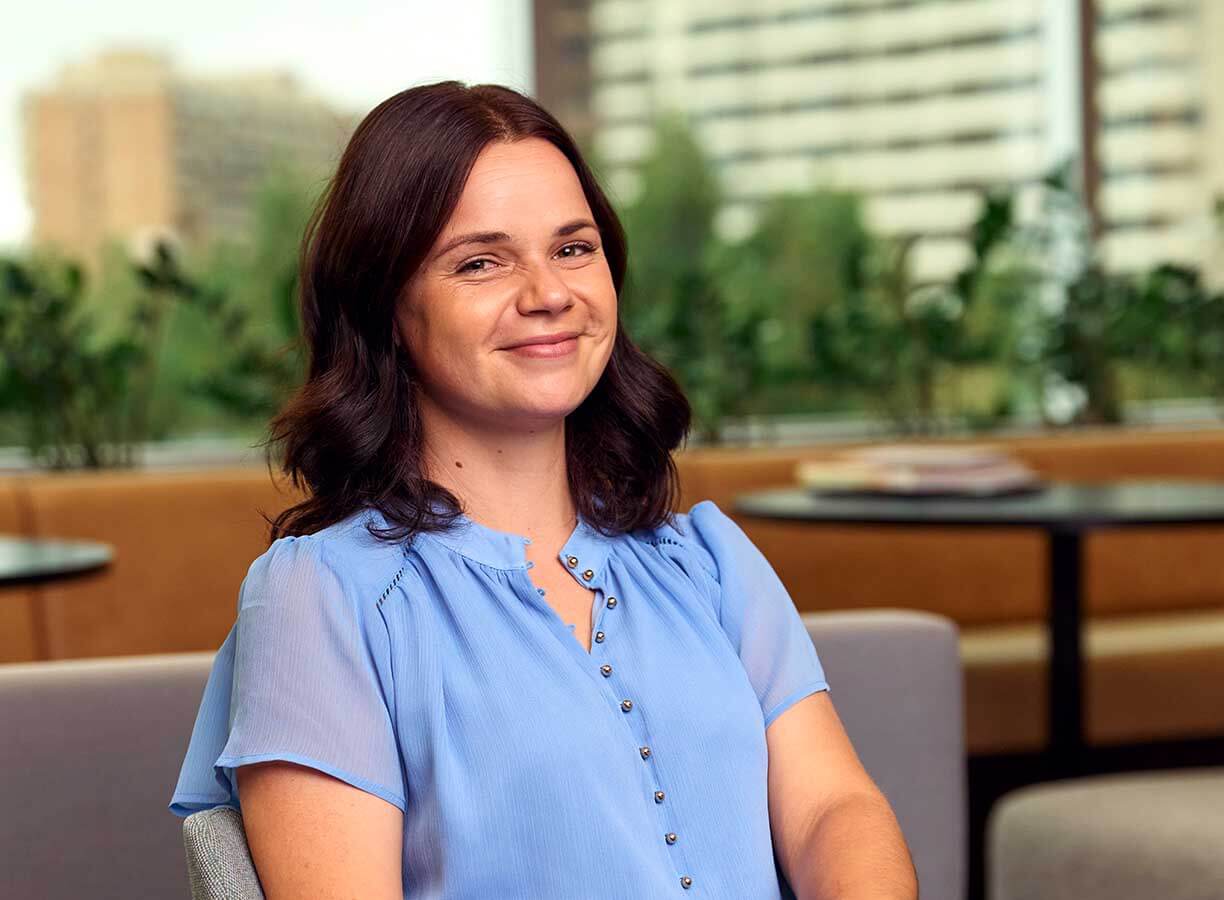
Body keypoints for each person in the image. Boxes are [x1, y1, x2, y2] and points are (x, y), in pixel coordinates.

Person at [168, 80, 917, 900]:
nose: (549, 293)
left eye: (573, 248)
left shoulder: (708, 563)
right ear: (384, 303)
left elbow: (833, 812)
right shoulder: (321, 599)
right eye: (480, 262)